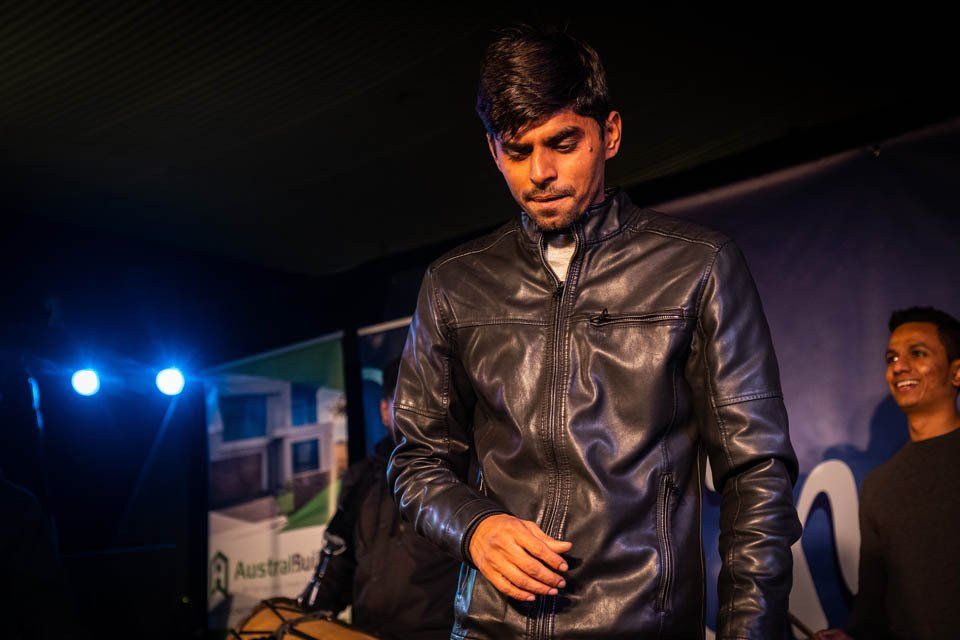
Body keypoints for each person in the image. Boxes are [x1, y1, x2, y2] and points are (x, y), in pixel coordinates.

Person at [388, 25, 801, 639]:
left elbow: (755, 474)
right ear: (493, 152)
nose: (541, 173)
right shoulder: (454, 284)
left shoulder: (698, 266)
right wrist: (474, 527)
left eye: (562, 142)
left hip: (644, 625)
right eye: (518, 151)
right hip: (489, 628)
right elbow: (417, 461)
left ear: (609, 134)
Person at [816, 307, 960, 640]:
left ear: (956, 373)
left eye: (917, 353)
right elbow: (874, 612)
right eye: (891, 358)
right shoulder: (879, 487)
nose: (899, 367)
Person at [298, 358, 459, 640]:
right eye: (405, 400)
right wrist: (300, 621)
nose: (415, 413)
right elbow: (339, 566)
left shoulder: (461, 474)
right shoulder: (360, 479)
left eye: (424, 401)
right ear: (385, 410)